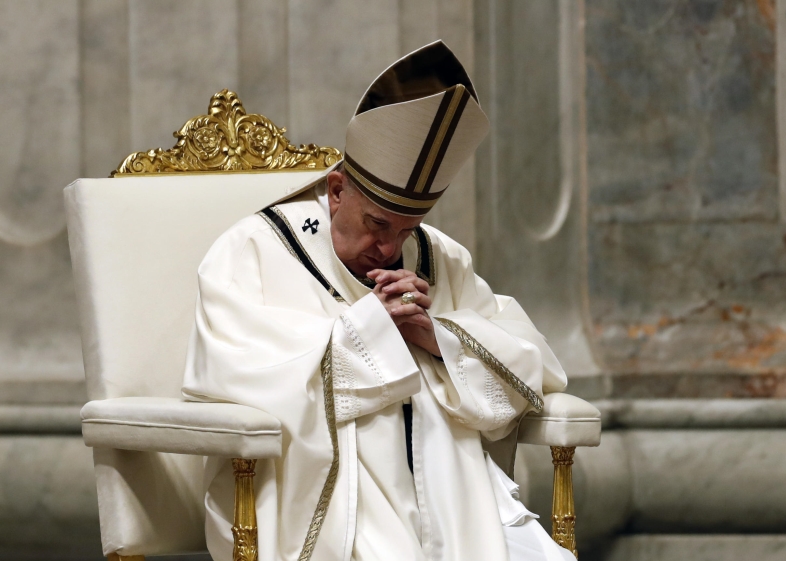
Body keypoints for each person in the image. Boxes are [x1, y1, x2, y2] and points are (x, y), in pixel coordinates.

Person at [182, 41, 574, 561]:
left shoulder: (437, 256)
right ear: (337, 190)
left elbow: (535, 364)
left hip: (456, 507)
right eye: (377, 224)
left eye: (406, 230)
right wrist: (369, 330)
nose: (389, 249)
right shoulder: (253, 249)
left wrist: (438, 338)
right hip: (333, 507)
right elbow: (233, 376)